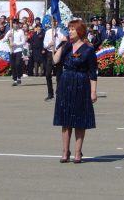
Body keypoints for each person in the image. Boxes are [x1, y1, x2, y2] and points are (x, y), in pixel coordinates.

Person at [53, 19, 97, 164]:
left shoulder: (88, 49)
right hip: (66, 83)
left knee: (79, 120)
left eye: (73, 29)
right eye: (69, 29)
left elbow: (92, 73)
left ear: (80, 31)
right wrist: (62, 45)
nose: (70, 31)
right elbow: (55, 60)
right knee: (65, 121)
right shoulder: (66, 46)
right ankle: (65, 151)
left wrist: (93, 91)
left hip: (81, 83)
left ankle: (78, 152)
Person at [43, 19, 66, 101]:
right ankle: (50, 93)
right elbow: (45, 44)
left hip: (58, 53)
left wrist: (58, 36)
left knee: (59, 75)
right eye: (53, 21)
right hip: (50, 53)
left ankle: (58, 93)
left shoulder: (61, 30)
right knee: (48, 74)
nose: (54, 23)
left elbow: (65, 40)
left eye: (56, 21)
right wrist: (50, 44)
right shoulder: (48, 32)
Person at [3, 19, 25, 86]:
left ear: (18, 24)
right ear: (12, 24)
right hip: (12, 51)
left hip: (18, 50)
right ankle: (15, 80)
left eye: (16, 23)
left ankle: (19, 76)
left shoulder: (21, 31)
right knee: (13, 66)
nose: (15, 25)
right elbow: (4, 40)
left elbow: (23, 41)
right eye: (14, 23)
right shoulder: (10, 31)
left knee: (18, 64)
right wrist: (7, 36)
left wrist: (16, 44)